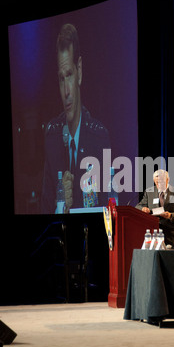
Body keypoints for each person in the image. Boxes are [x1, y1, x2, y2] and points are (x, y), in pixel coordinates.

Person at [41, 23, 111, 214]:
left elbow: (108, 212)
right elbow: (44, 212)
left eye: (69, 75)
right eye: (61, 78)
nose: (66, 92)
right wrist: (60, 203)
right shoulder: (52, 137)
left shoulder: (99, 138)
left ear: (79, 71)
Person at [135, 169, 174, 248]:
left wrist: (170, 215)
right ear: (154, 181)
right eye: (157, 182)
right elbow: (138, 206)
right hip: (155, 235)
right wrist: (143, 209)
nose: (159, 184)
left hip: (172, 235)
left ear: (168, 179)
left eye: (162, 182)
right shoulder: (149, 192)